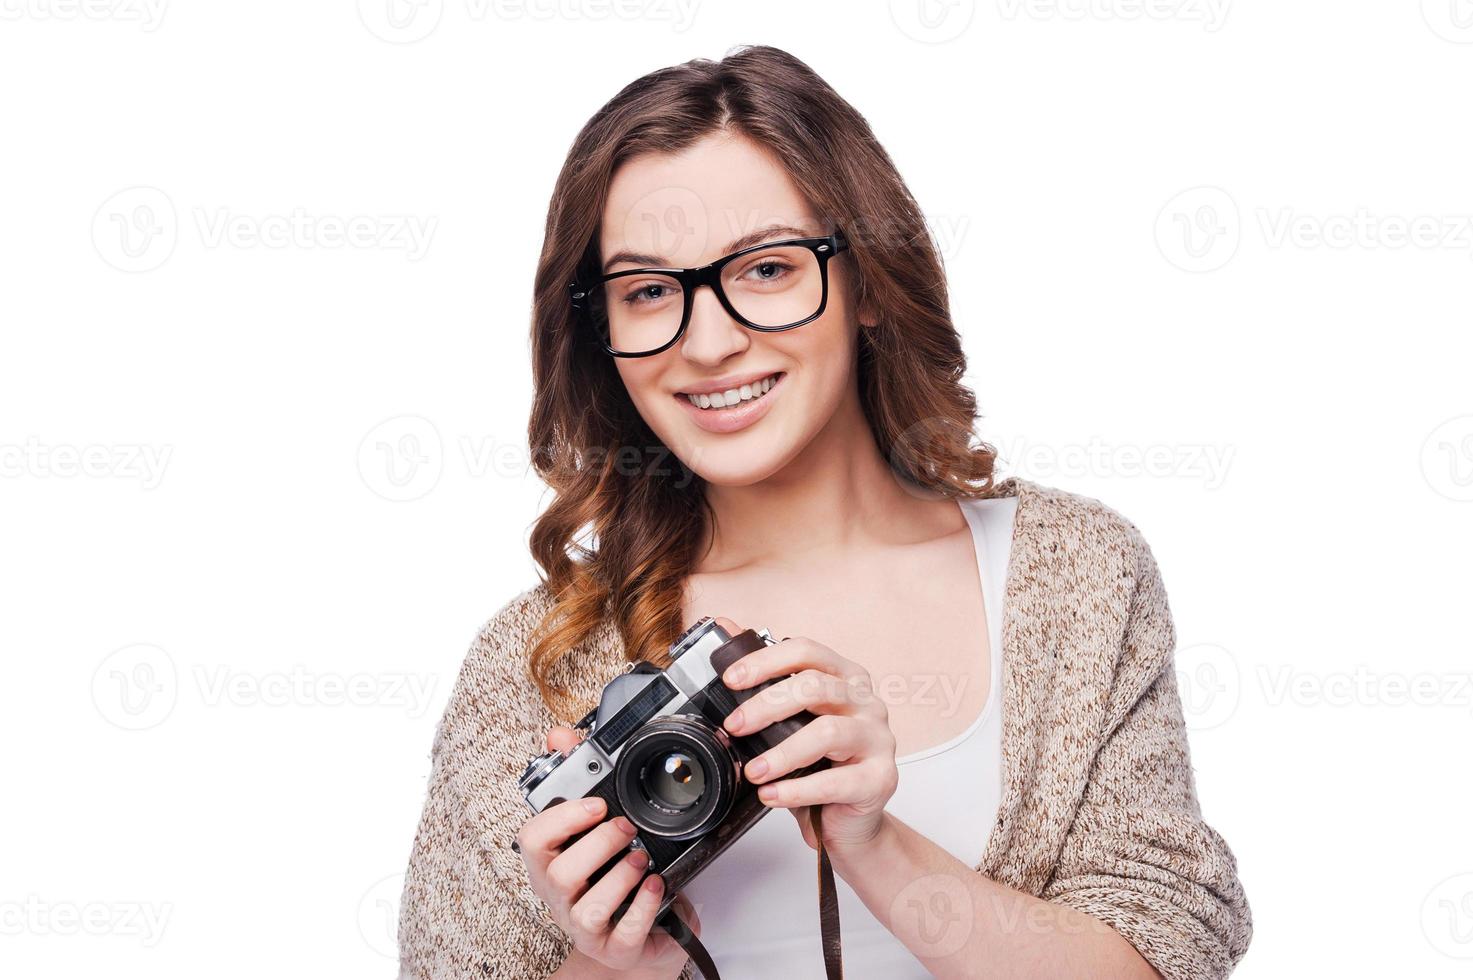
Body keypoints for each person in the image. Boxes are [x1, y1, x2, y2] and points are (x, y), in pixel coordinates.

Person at [397, 44, 1251, 980]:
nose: (710, 343)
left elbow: (1167, 956)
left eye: (765, 269)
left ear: (870, 285)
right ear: (599, 332)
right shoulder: (537, 663)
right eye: (647, 291)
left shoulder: (1074, 579)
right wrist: (618, 957)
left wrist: (873, 842)